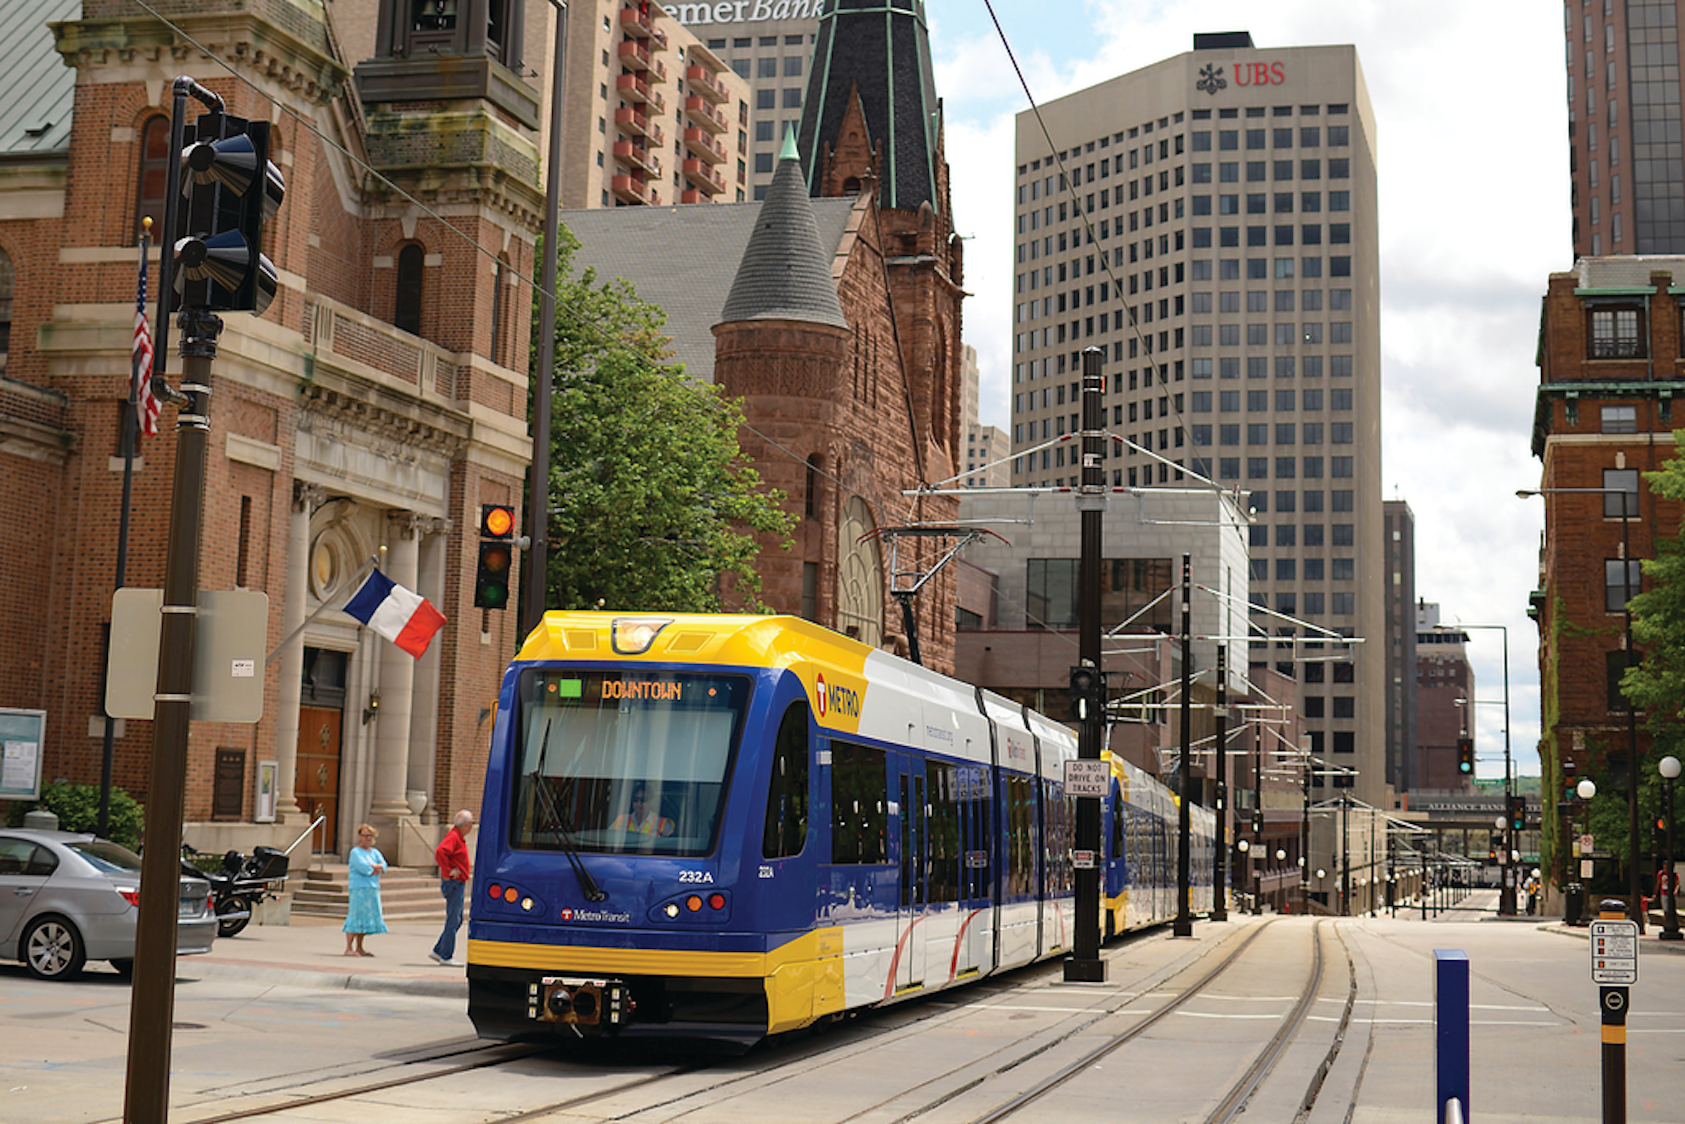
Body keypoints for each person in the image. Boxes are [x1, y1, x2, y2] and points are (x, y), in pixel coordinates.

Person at [430, 809, 474, 966]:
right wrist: (448, 871)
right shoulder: (454, 837)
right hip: (454, 883)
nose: (472, 827)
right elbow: (440, 852)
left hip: (457, 882)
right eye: (471, 824)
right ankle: (446, 955)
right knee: (453, 919)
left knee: (457, 918)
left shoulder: (457, 837)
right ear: (466, 825)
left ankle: (439, 949)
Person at [343, 824, 387, 956]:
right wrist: (373, 868)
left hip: (372, 887)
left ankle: (360, 947)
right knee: (355, 916)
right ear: (359, 837)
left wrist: (378, 867)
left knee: (364, 918)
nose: (368, 838)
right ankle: (348, 947)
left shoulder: (375, 852)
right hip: (359, 888)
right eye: (365, 835)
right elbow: (363, 868)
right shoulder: (355, 852)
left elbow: (383, 864)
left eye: (370, 836)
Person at [609, 784, 674, 836]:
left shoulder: (663, 823)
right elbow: (608, 838)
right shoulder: (621, 820)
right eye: (635, 800)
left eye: (643, 800)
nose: (639, 803)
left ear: (652, 801)